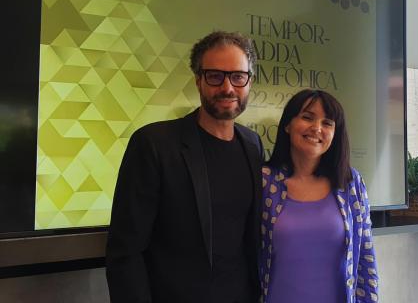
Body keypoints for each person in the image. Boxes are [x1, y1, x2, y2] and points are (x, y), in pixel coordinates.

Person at [106, 31, 263, 303]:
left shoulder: (253, 145)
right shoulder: (154, 144)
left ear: (249, 81)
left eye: (238, 77)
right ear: (198, 80)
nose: (228, 88)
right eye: (215, 76)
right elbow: (125, 253)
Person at [259, 89, 379, 303]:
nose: (317, 128)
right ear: (288, 124)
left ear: (335, 133)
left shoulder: (350, 184)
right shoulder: (265, 182)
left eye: (327, 123)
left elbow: (366, 260)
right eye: (307, 117)